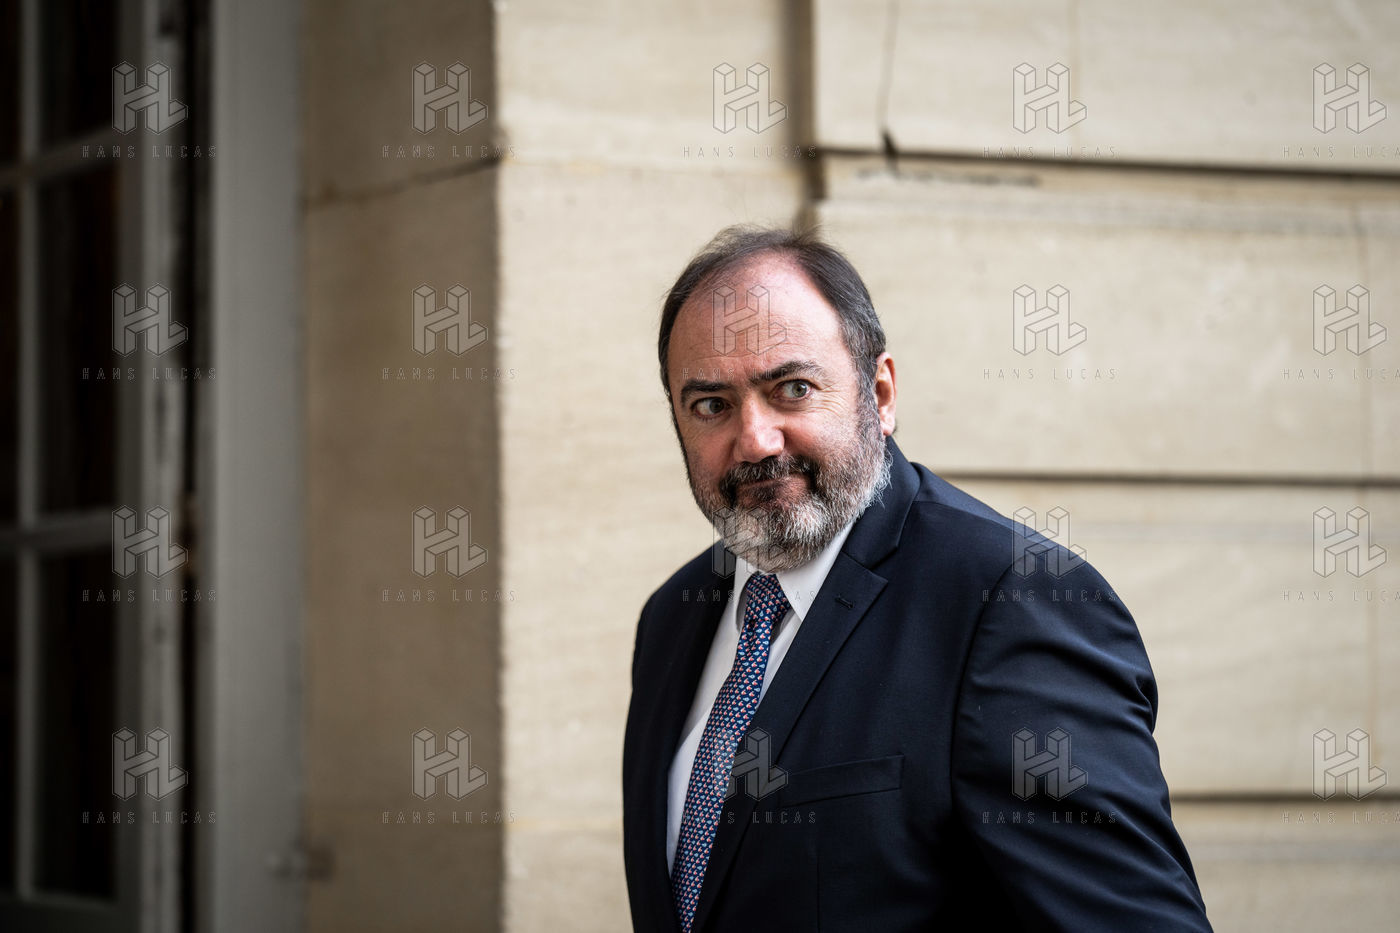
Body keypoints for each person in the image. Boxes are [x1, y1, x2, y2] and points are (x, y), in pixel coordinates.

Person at [621, 226, 1213, 932]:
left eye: (793, 389)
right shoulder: (672, 618)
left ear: (880, 393)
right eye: (711, 405)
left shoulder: (1010, 600)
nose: (755, 440)